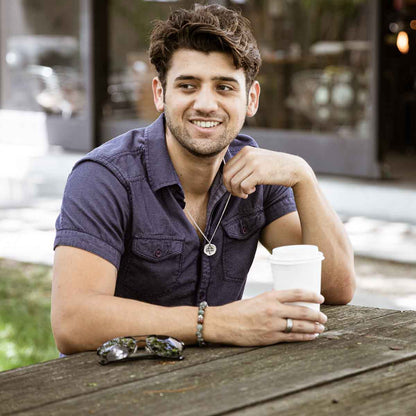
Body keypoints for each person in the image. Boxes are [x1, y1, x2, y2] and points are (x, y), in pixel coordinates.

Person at [51, 4, 355, 355]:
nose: (206, 104)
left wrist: (304, 177)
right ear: (160, 94)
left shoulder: (258, 171)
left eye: (224, 87)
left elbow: (334, 288)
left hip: (214, 382)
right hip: (108, 385)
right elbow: (72, 323)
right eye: (188, 85)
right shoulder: (104, 177)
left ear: (250, 98)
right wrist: (217, 323)